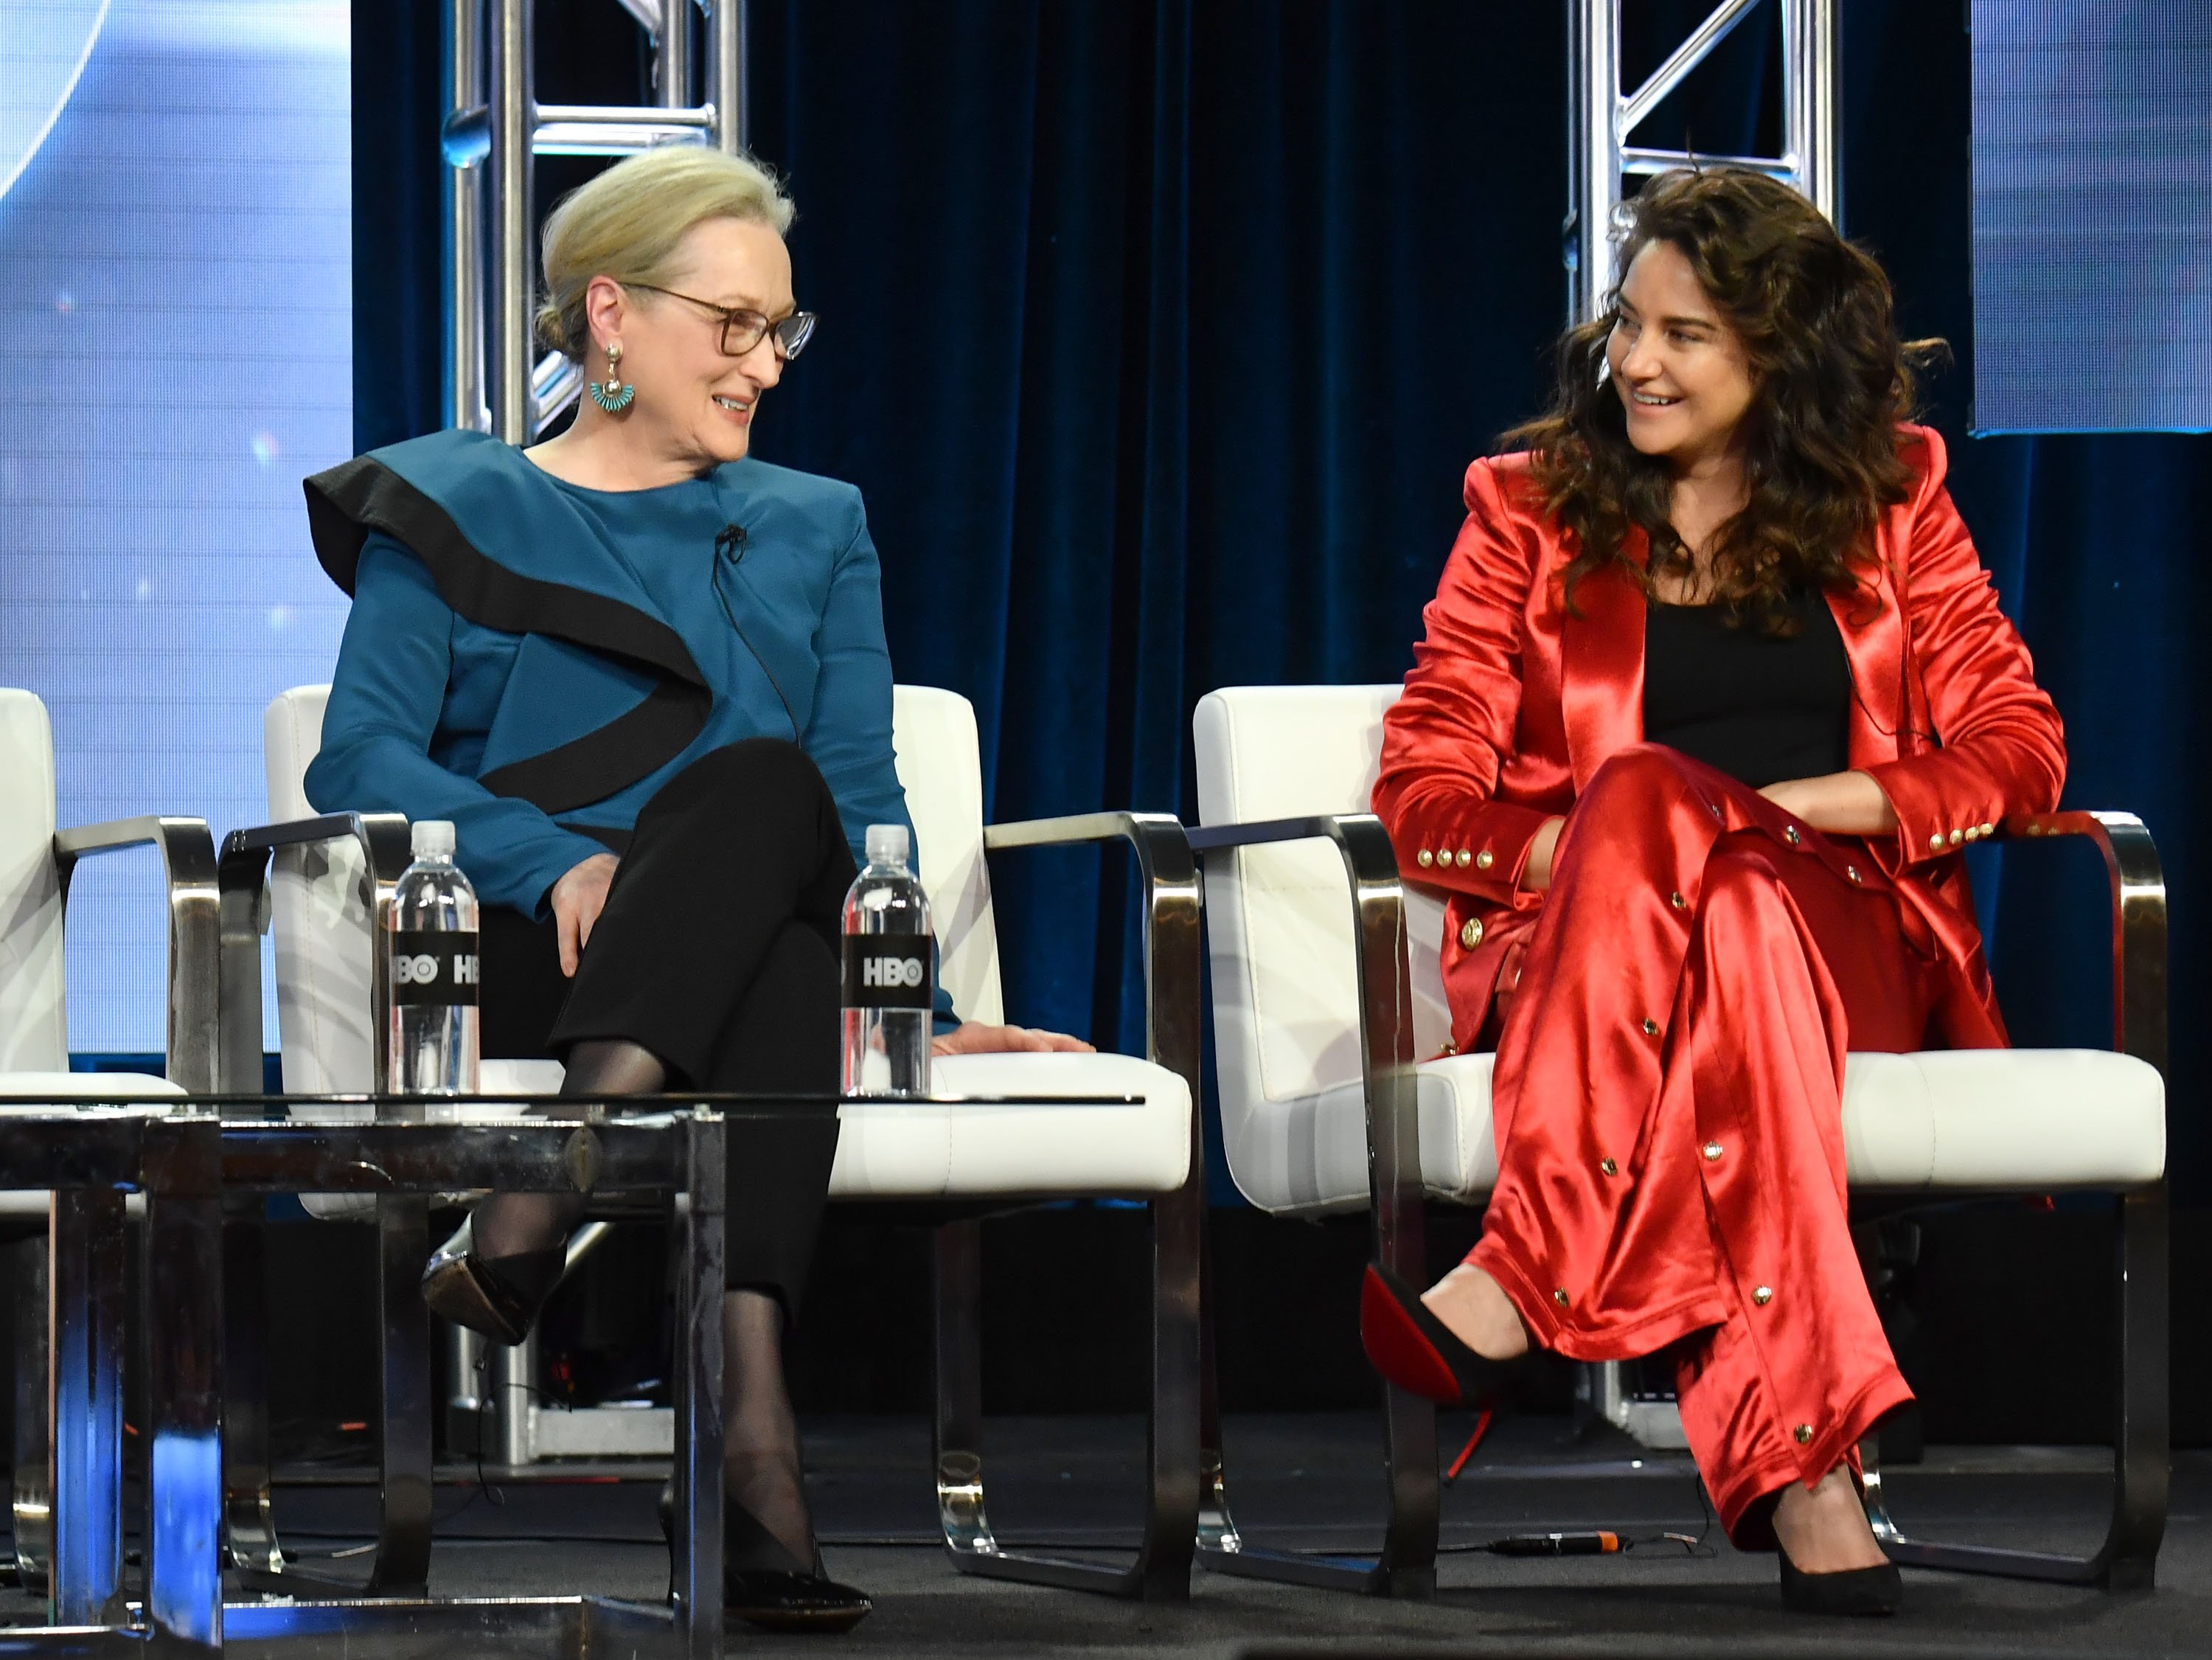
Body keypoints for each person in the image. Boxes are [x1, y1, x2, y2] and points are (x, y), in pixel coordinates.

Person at [301, 144, 1087, 1634]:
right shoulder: (451, 505)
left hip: (735, 950)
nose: (765, 365)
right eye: (731, 324)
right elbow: (363, 760)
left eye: (780, 328)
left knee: (776, 826)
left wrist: (914, 1001)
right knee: (769, 920)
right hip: (529, 950)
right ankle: (751, 1459)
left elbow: (863, 795)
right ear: (610, 317)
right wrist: (562, 856)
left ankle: (558, 1191)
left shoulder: (814, 522)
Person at [1357, 167, 2065, 1617]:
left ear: (1780, 356)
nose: (1635, 360)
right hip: (1611, 948)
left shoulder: (1897, 497)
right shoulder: (1528, 507)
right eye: (1629, 323)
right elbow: (1424, 792)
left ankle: (1528, 1271)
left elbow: (2020, 751)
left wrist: (1785, 810)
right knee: (1693, 868)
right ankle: (1811, 1480)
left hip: (1851, 934)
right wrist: (1601, 840)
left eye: (1685, 335)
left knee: (1710, 846)